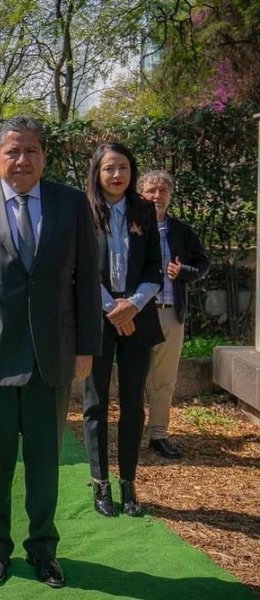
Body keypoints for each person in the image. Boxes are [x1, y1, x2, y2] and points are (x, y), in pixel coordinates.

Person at [0, 116, 101, 589]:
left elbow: (85, 283)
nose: (22, 159)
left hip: (52, 354)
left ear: (44, 157)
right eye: (12, 151)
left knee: (44, 460)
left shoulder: (71, 205)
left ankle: (43, 549)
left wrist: (87, 347)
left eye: (31, 150)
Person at [82, 143, 164, 519]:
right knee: (96, 404)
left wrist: (133, 304)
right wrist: (112, 308)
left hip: (138, 316)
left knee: (133, 404)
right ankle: (100, 483)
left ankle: (128, 481)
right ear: (97, 173)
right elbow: (77, 269)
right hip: (97, 319)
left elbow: (155, 269)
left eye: (124, 168)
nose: (117, 175)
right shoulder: (82, 212)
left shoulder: (145, 210)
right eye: (109, 169)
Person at [138, 170, 210, 459]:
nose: (157, 196)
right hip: (138, 314)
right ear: (141, 193)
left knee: (164, 380)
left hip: (170, 314)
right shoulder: (131, 227)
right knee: (134, 378)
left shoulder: (181, 231)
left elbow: (203, 263)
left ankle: (158, 434)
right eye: (151, 190)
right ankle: (129, 433)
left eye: (163, 191)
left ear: (170, 195)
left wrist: (185, 273)